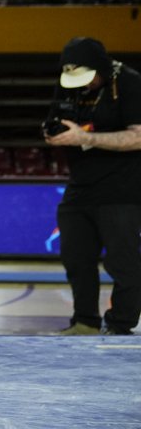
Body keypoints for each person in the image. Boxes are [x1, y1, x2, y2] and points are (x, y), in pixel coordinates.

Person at [44, 36, 141, 336]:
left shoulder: (129, 82)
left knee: (122, 262)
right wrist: (54, 133)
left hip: (123, 187)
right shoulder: (71, 81)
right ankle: (85, 321)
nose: (82, 86)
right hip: (81, 184)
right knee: (75, 255)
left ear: (100, 68)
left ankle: (120, 325)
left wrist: (86, 139)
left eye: (88, 79)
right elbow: (55, 120)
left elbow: (138, 136)